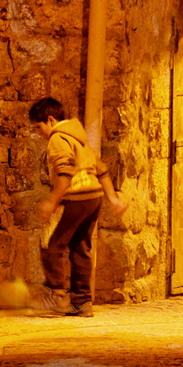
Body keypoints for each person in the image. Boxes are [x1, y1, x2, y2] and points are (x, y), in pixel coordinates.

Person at [28, 97, 126, 317]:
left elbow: (65, 171)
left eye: (38, 127)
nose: (39, 133)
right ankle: (82, 302)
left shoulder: (58, 138)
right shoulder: (78, 137)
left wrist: (51, 201)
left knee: (50, 246)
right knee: (81, 248)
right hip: (94, 198)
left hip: (75, 197)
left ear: (51, 120)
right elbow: (100, 168)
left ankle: (57, 296)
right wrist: (112, 198)